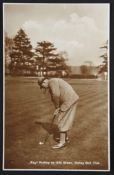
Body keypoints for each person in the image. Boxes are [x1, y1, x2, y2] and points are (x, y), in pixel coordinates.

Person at [37, 77, 79, 149]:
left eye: (42, 86)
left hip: (68, 101)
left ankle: (62, 143)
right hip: (72, 99)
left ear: (44, 82)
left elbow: (56, 95)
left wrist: (57, 107)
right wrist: (57, 107)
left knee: (61, 120)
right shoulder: (53, 82)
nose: (44, 88)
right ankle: (65, 139)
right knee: (64, 120)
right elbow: (54, 97)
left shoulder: (52, 82)